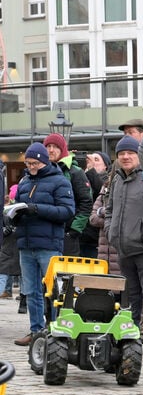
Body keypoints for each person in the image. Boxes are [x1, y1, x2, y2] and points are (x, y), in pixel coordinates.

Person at [103, 136, 143, 354]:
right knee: (130, 295)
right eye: (121, 153)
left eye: (130, 153)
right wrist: (111, 232)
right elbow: (109, 210)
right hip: (124, 248)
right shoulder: (117, 179)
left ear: (139, 155)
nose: (125, 157)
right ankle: (132, 334)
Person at [13, 143, 75, 346]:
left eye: (35, 163)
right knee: (31, 291)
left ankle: (57, 332)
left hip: (49, 244)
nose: (31, 167)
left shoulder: (60, 181)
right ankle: (36, 331)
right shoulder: (24, 182)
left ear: (44, 161)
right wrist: (13, 215)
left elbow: (67, 211)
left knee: (54, 291)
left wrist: (37, 209)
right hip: (26, 243)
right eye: (28, 163)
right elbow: (18, 206)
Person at [43, 133, 93, 257]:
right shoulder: (39, 172)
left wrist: (74, 230)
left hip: (66, 236)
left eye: (55, 147)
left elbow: (86, 202)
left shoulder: (75, 172)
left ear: (62, 149)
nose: (51, 150)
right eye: (48, 146)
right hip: (44, 235)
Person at [80, 151, 110, 258]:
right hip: (81, 237)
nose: (92, 162)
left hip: (96, 239)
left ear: (106, 166)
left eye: (96, 160)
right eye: (90, 160)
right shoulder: (81, 177)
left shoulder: (109, 179)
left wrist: (91, 170)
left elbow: (100, 188)